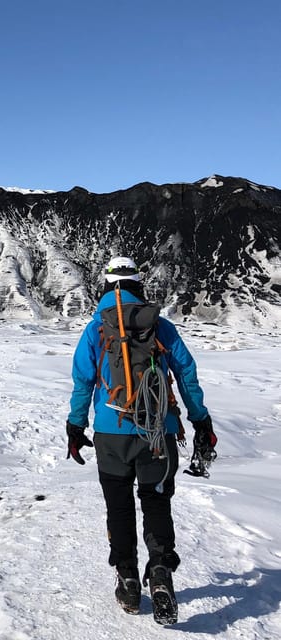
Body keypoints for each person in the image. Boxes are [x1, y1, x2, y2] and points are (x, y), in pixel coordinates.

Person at [65, 256, 217, 623]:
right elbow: (187, 374)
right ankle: (161, 570)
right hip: (158, 433)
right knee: (156, 502)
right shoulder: (161, 327)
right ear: (138, 285)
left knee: (119, 507)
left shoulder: (95, 331)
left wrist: (75, 426)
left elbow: (83, 382)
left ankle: (129, 579)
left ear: (106, 287)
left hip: (111, 434)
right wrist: (200, 419)